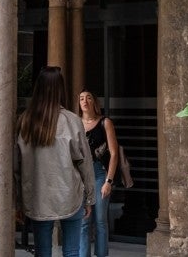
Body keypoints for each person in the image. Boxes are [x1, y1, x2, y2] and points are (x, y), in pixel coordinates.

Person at [15, 67, 94, 257]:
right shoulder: (72, 121)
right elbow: (85, 162)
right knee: (72, 252)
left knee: (42, 252)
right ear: (61, 89)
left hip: (37, 197)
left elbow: (16, 167)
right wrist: (90, 196)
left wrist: (18, 202)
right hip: (70, 194)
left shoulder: (25, 121)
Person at [77, 90, 119, 257]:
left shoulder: (105, 122)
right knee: (83, 221)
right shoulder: (76, 123)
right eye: (81, 98)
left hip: (100, 174)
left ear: (94, 102)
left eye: (88, 98)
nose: (84, 101)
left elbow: (114, 153)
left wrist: (109, 181)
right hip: (81, 176)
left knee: (100, 221)